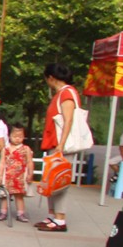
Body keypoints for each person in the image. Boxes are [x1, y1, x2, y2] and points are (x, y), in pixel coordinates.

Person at [35, 62, 81, 232]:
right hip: (53, 142)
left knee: (59, 180)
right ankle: (53, 215)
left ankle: (60, 218)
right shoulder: (61, 93)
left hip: (61, 145)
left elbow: (68, 120)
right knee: (51, 179)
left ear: (51, 78)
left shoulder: (67, 93)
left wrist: (61, 144)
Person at [0, 124, 34, 222]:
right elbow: (1, 163)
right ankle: (3, 212)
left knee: (19, 196)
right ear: (9, 136)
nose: (17, 139)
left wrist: (30, 174)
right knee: (5, 195)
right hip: (8, 176)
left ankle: (20, 213)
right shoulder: (5, 149)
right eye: (15, 136)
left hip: (20, 176)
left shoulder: (26, 149)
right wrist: (0, 175)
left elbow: (30, 162)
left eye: (20, 137)